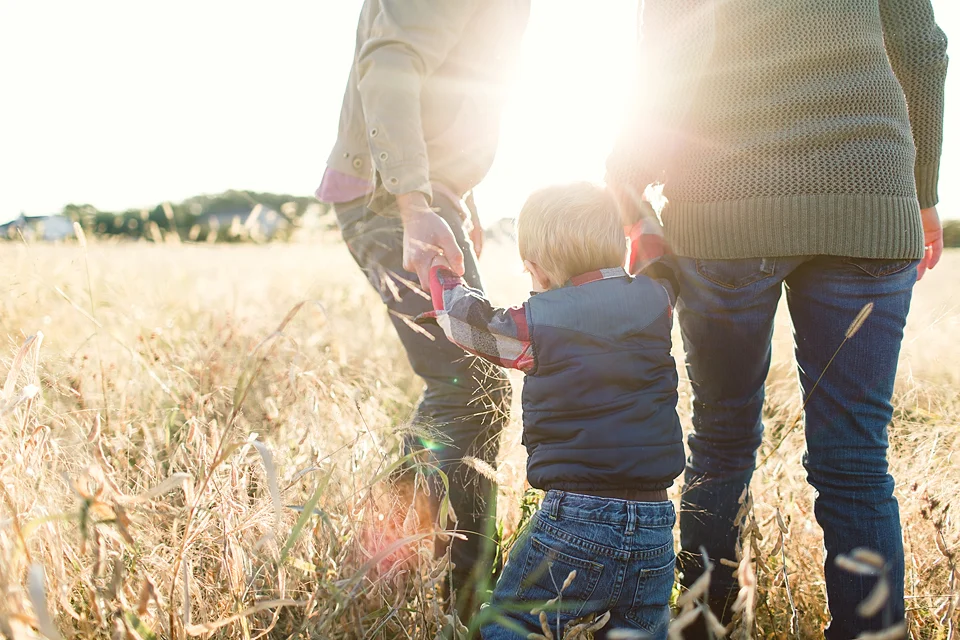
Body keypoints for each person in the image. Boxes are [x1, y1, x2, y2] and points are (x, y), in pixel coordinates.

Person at [606, 1, 948, 637]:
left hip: (724, 208)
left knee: (721, 442)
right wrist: (920, 191)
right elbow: (922, 51)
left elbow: (670, 52)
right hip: (869, 198)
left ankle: (705, 624)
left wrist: (627, 186)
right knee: (856, 461)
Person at [316, 0, 530, 614]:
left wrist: (461, 196)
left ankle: (435, 583)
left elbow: (462, 83)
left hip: (424, 192)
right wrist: (415, 203)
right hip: (392, 197)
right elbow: (387, 64)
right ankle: (439, 588)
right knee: (473, 382)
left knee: (476, 385)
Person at [418, 183, 686, 638]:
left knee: (510, 624)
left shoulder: (538, 321)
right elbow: (657, 249)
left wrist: (438, 272)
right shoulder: (656, 298)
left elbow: (469, 323)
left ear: (537, 270)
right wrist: (638, 204)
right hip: (656, 523)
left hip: (577, 519)